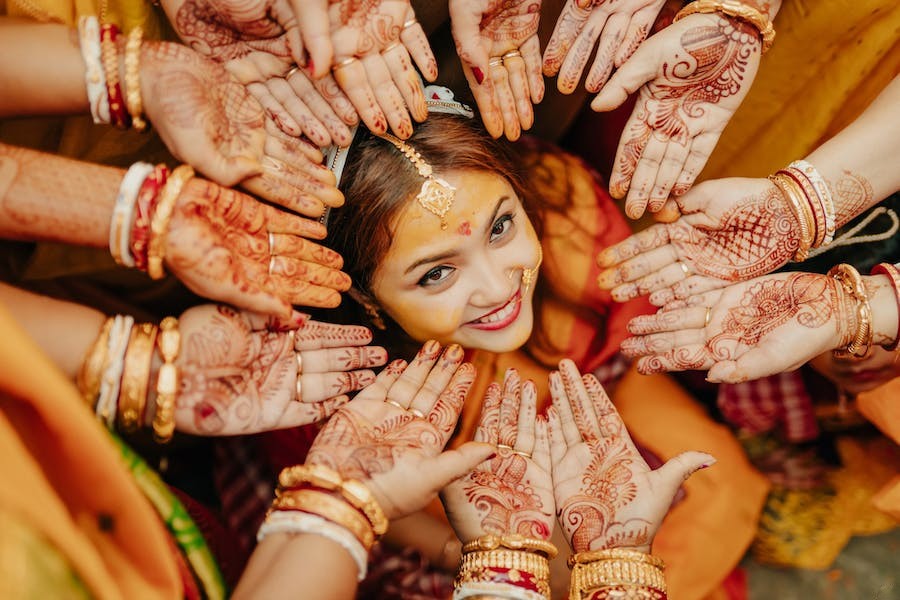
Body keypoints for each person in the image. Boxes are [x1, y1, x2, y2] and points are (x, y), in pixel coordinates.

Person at [235, 87, 765, 599]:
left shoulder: (563, 210)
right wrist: (464, 551)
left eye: (500, 227)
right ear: (365, 295)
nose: (497, 288)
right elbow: (361, 496)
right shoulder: (318, 371)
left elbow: (625, 341)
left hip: (593, 386)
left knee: (717, 493)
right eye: (437, 273)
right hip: (424, 498)